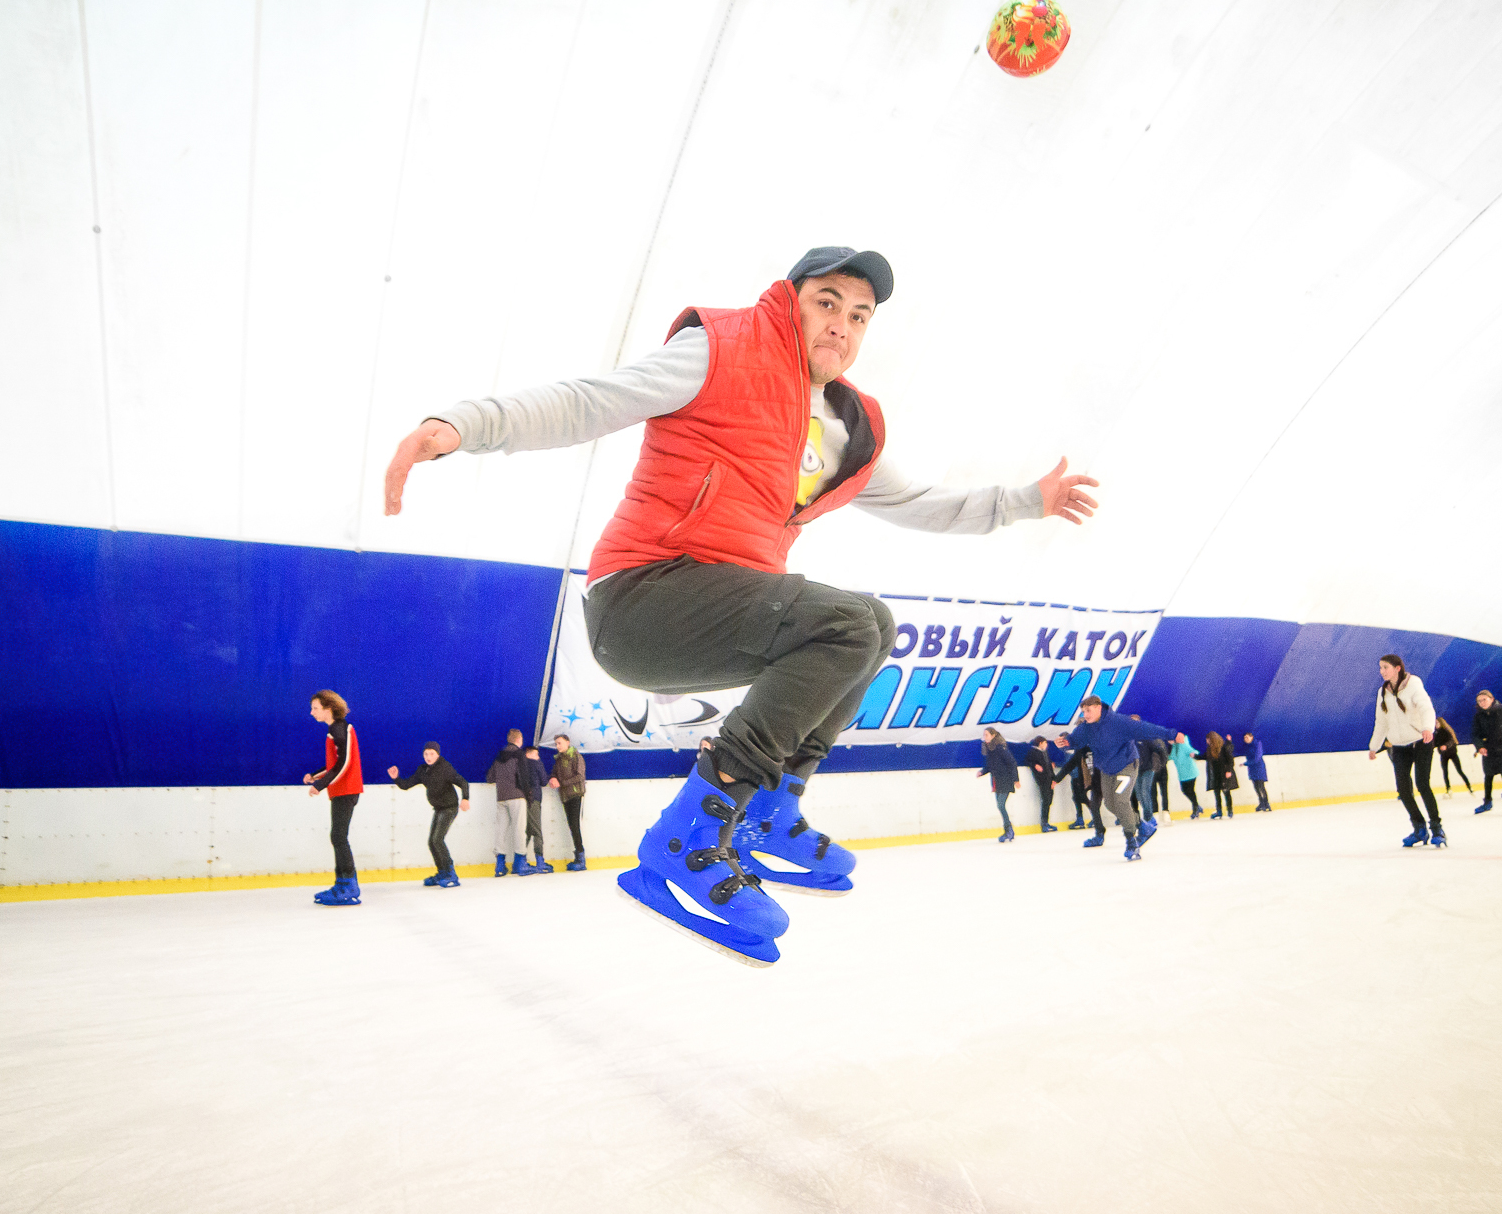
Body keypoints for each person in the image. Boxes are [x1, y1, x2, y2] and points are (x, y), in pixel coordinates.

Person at [382, 247, 1099, 964]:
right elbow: (593, 400)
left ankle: (768, 809)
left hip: (713, 611)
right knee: (847, 623)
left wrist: (1025, 502)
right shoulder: (722, 350)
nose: (841, 326)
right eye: (827, 303)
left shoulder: (849, 427)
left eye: (859, 316)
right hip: (641, 595)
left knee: (873, 625)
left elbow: (920, 502)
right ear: (791, 301)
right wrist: (463, 425)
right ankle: (690, 834)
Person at [1065, 696, 1175, 860]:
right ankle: (1142, 826)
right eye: (1083, 712)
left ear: (1098, 708)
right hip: (1107, 769)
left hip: (1127, 764)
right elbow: (1074, 740)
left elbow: (1147, 729)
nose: (1085, 715)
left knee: (1121, 800)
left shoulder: (1118, 722)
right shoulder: (1087, 727)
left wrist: (1170, 734)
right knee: (1110, 804)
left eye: (1088, 711)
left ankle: (1132, 842)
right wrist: (1066, 742)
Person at [1366, 655, 1442, 848]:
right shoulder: (1382, 692)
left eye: (1385, 667)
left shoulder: (1413, 683)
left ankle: (1437, 828)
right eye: (1380, 668)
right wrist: (1374, 746)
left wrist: (1427, 728)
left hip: (1421, 741)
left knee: (1422, 784)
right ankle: (1419, 828)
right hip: (1399, 746)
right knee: (1403, 789)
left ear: (1398, 668)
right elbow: (1381, 722)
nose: (1382, 671)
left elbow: (1426, 707)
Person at [304, 690, 363, 906]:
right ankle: (342, 884)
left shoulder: (340, 728)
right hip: (341, 789)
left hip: (347, 789)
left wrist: (321, 785)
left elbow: (345, 762)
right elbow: (334, 763)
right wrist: (316, 776)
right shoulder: (335, 729)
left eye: (315, 708)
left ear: (328, 708)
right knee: (337, 836)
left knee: (339, 836)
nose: (312, 713)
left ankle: (349, 886)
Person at [388, 741, 472, 887]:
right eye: (426, 754)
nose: (428, 757)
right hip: (439, 808)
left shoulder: (445, 768)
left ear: (437, 755)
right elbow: (406, 785)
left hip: (449, 807)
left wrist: (465, 798)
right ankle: (442, 873)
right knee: (432, 842)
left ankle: (450, 874)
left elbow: (463, 782)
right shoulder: (423, 770)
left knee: (437, 840)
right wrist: (396, 778)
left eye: (432, 754)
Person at [484, 730, 541, 876]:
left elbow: (490, 778)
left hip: (501, 797)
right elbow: (524, 777)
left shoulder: (499, 756)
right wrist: (528, 796)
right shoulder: (519, 755)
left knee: (501, 830)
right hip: (517, 796)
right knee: (519, 829)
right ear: (519, 739)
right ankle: (520, 863)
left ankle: (500, 865)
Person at [548, 733, 589, 871]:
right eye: (556, 744)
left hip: (575, 794)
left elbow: (580, 776)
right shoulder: (559, 759)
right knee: (572, 825)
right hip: (565, 795)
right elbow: (554, 772)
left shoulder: (576, 757)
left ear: (567, 742)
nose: (557, 746)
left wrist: (562, 783)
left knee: (575, 825)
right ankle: (578, 856)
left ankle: (581, 857)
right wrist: (553, 778)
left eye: (559, 743)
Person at [979, 728, 1020, 842]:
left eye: (986, 735)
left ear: (993, 735)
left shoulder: (1000, 748)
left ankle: (1009, 830)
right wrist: (982, 772)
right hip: (997, 781)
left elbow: (1012, 762)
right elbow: (990, 765)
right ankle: (1008, 830)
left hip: (1005, 780)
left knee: (1001, 805)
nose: (984, 737)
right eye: (984, 735)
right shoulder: (990, 749)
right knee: (1000, 805)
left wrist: (1016, 779)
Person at [1129, 716, 1166, 828]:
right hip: (1136, 770)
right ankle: (1148, 816)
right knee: (1139, 794)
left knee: (1145, 792)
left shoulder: (1145, 736)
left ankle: (1149, 818)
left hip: (1148, 769)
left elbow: (1159, 749)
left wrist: (1161, 763)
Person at [521, 746, 553, 873]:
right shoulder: (535, 764)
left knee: (528, 830)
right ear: (528, 754)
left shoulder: (519, 765)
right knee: (537, 830)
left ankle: (520, 860)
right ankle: (540, 861)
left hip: (523, 799)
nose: (538, 757)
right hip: (534, 799)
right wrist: (539, 763)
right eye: (536, 754)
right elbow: (544, 781)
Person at [1026, 736, 1059, 833]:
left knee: (1049, 800)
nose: (1046, 745)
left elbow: (1048, 766)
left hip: (1049, 778)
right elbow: (1027, 760)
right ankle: (1044, 823)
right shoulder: (1033, 752)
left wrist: (1054, 778)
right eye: (1045, 743)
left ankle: (1046, 822)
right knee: (1046, 800)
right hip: (1042, 779)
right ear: (1040, 743)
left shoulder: (1044, 753)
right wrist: (1035, 765)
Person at [1203, 732, 1238, 819]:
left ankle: (1230, 810)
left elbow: (1230, 760)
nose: (1207, 741)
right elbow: (1205, 756)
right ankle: (1219, 811)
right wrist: (1195, 756)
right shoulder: (1210, 749)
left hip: (1223, 774)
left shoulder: (1223, 748)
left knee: (1226, 792)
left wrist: (1229, 771)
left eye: (1208, 739)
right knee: (1217, 793)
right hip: (1215, 775)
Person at [1432, 718, 1471, 795]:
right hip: (1443, 755)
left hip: (1452, 753)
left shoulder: (1446, 731)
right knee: (1445, 772)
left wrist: (1446, 746)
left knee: (1459, 770)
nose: (1436, 725)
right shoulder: (1436, 733)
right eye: (1435, 723)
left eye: (1437, 723)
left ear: (1441, 723)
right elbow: (1435, 743)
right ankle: (1448, 789)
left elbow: (1451, 741)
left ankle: (1469, 786)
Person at [1168, 732, 1202, 819]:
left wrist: (1193, 754)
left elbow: (1194, 751)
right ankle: (1197, 806)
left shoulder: (1183, 745)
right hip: (1182, 774)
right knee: (1185, 790)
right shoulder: (1174, 747)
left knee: (1190, 791)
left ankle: (1195, 808)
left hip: (1190, 772)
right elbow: (1171, 757)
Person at [1239, 731, 1271, 812]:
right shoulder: (1246, 746)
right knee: (1256, 786)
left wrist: (1245, 763)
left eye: (1247, 737)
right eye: (1245, 738)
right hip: (1252, 768)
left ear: (1251, 737)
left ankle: (1266, 803)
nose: (1246, 739)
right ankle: (1261, 802)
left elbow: (1257, 758)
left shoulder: (1257, 744)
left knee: (1261, 786)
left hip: (1259, 767)